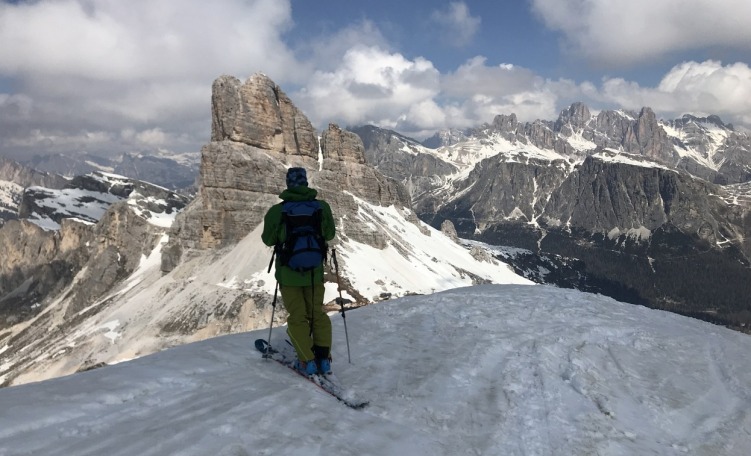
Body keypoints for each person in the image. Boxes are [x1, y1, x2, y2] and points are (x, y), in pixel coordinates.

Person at [261, 167, 336, 375]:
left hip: (288, 274)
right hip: (314, 272)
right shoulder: (322, 207)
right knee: (317, 314)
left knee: (298, 317)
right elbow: (329, 234)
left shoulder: (277, 211)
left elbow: (268, 239)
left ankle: (307, 361)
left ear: (288, 184)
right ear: (305, 183)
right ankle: (324, 359)